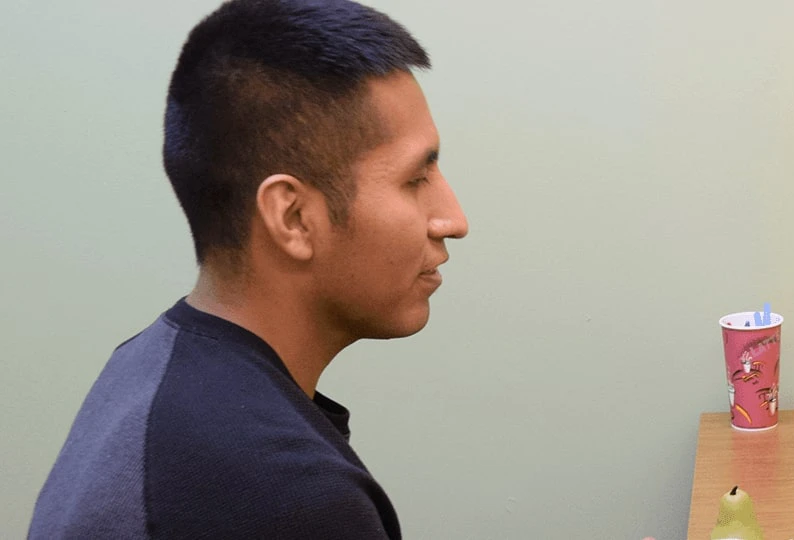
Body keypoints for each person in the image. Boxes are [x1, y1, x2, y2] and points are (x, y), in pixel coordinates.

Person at [29, 0, 467, 537]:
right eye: (415, 180)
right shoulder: (286, 495)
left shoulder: (147, 368)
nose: (453, 219)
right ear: (294, 217)